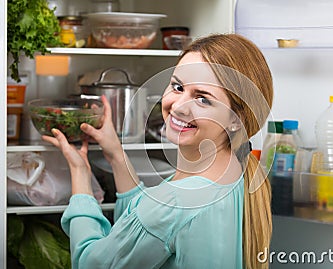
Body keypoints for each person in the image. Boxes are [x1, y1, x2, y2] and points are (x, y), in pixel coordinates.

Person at [43, 33, 274, 269]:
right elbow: (148, 224)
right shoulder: (234, 172)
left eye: (203, 99)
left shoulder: (177, 201)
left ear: (236, 120)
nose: (178, 106)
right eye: (177, 86)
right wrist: (115, 154)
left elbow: (89, 264)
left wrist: (80, 173)